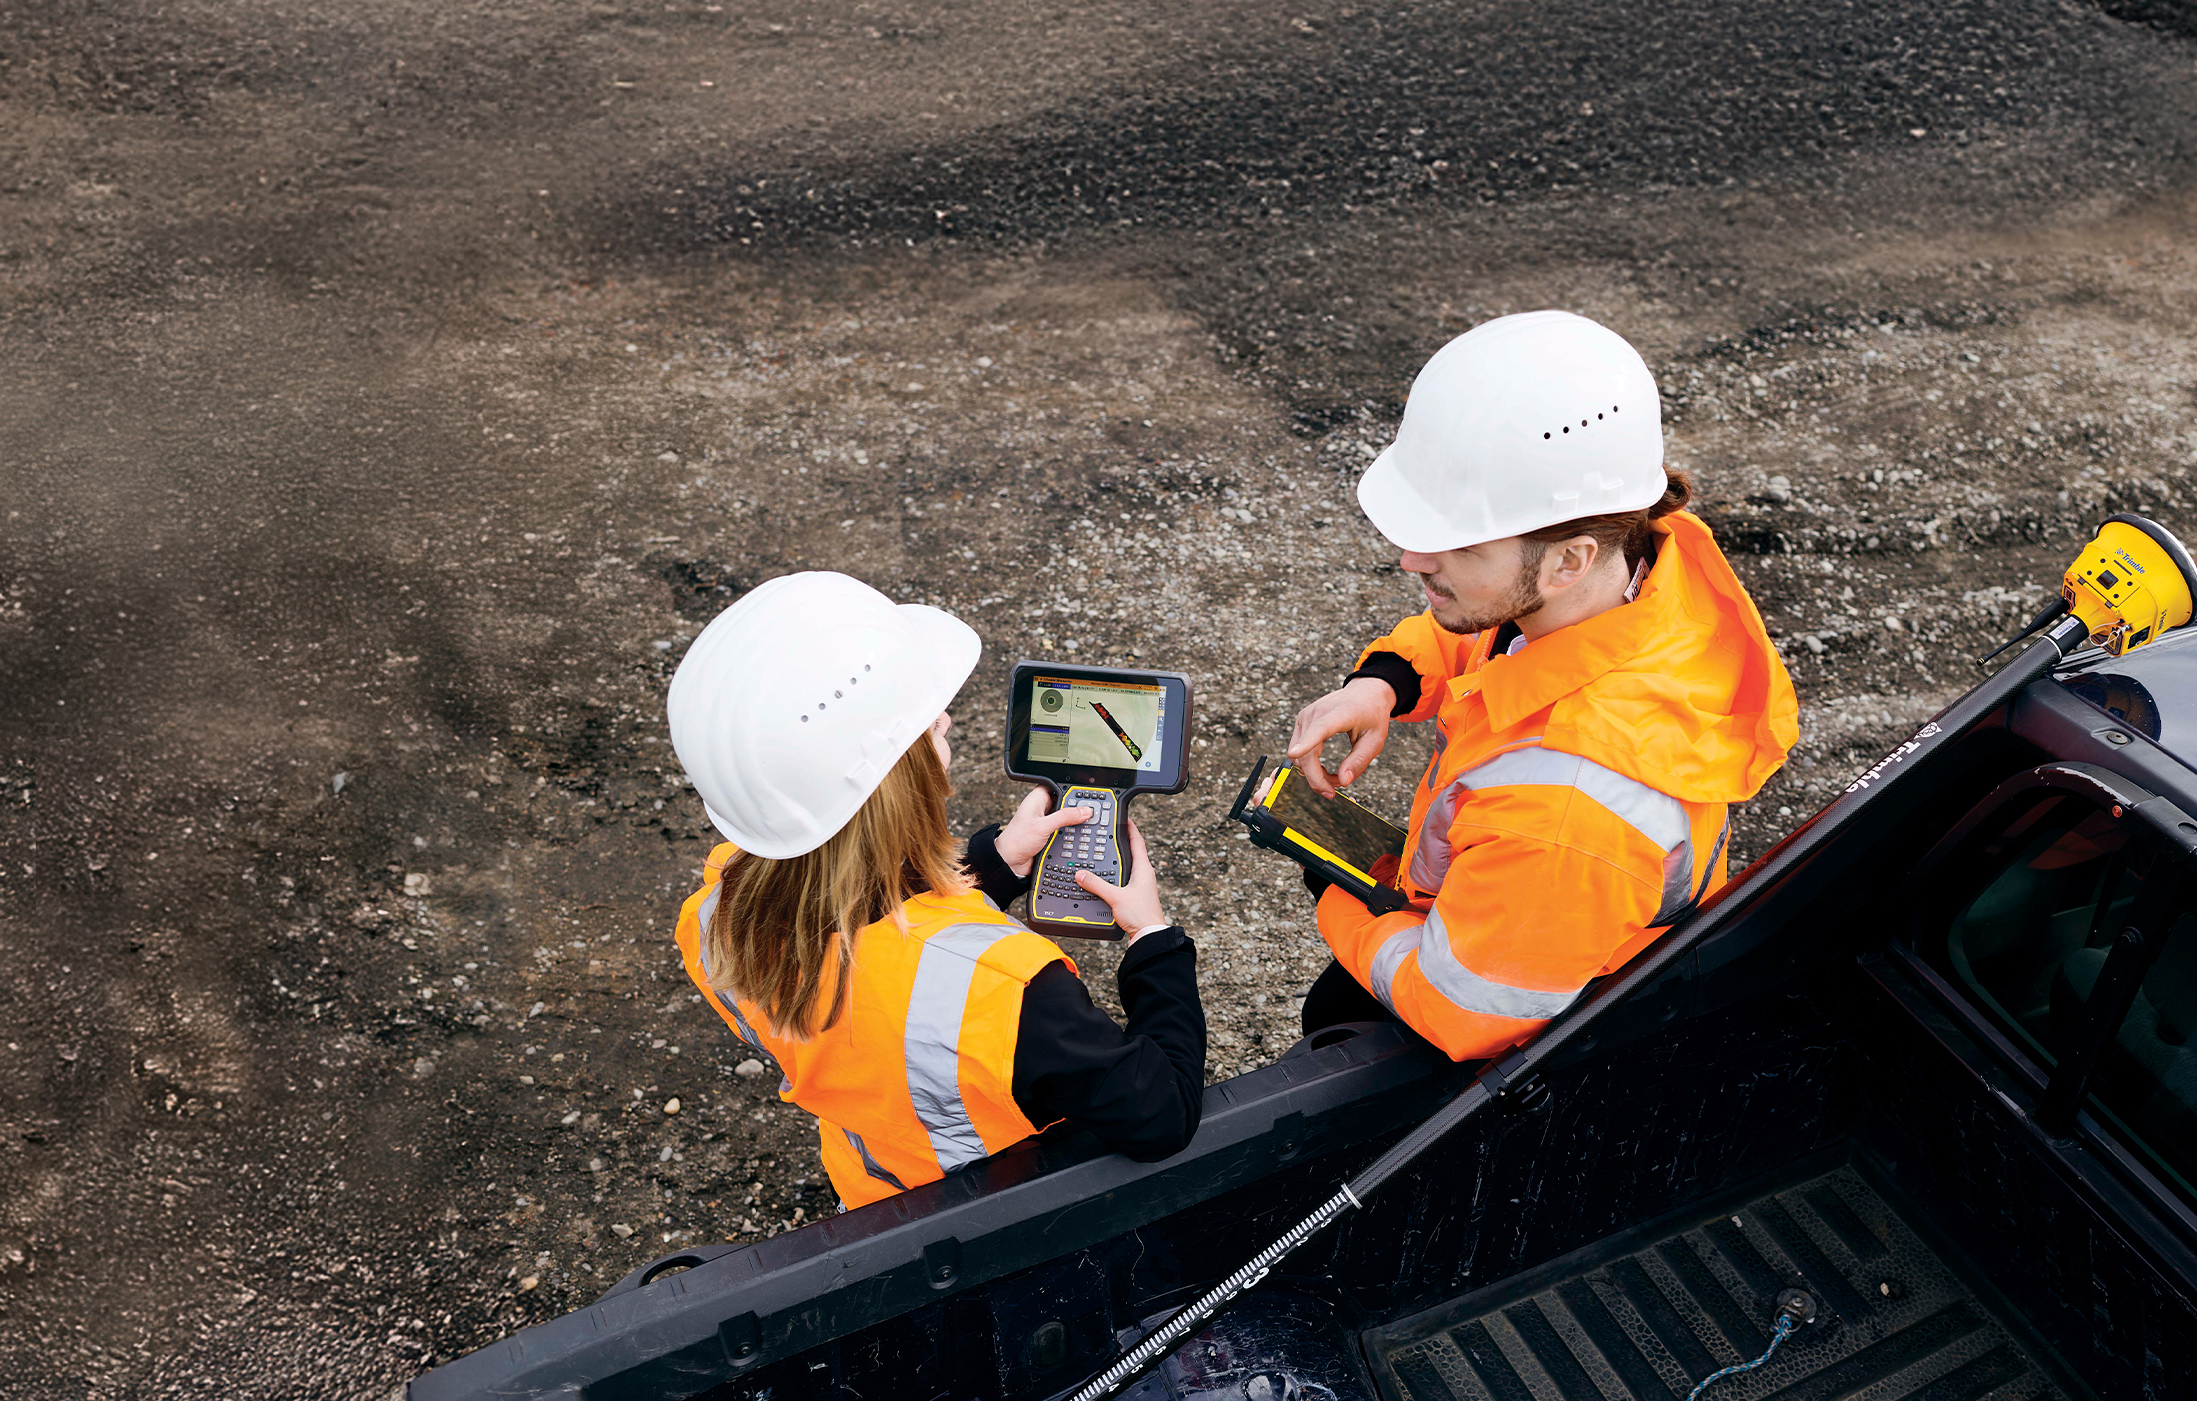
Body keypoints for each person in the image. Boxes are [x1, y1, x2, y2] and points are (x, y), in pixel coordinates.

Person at [1284, 311, 1800, 1062]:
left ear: (1569, 560)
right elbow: (1496, 646)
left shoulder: (1567, 814)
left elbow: (1464, 1011)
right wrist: (1387, 683)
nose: (1411, 560)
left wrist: (1345, 887)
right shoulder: (1631, 580)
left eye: (1459, 543)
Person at [666, 571, 1206, 1209]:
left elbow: (876, 929)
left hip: (872, 1188)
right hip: (989, 1210)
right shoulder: (1012, 993)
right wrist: (1153, 938)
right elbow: (1159, 1112)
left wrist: (997, 863)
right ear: (898, 778)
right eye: (924, 724)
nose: (945, 718)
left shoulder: (712, 917)